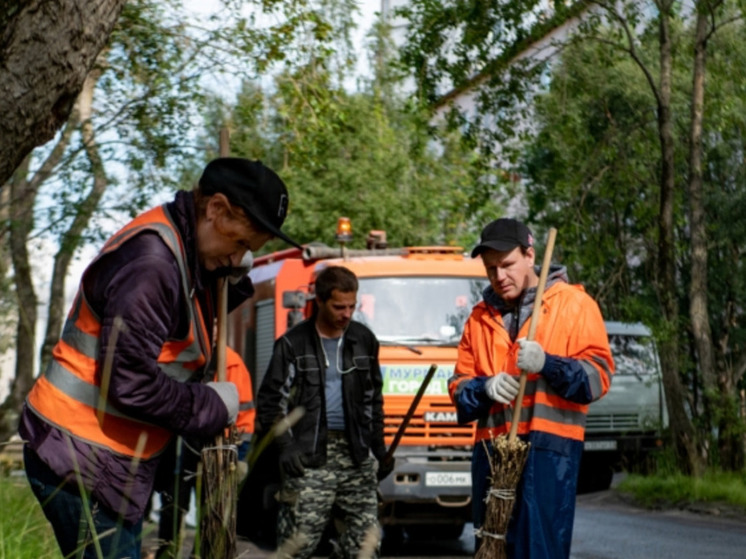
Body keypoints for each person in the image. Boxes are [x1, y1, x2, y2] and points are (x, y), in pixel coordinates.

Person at [18, 157, 300, 559]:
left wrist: (228, 282)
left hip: (103, 461)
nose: (239, 257)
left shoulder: (182, 250)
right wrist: (210, 405)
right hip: (78, 458)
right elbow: (130, 382)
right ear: (215, 209)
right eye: (239, 244)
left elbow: (179, 323)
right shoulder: (152, 264)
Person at [449, 218, 614, 559]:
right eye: (490, 267)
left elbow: (598, 378)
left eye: (507, 264)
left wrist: (548, 364)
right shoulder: (479, 318)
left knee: (540, 549)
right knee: (492, 546)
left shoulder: (574, 306)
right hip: (492, 458)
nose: (499, 276)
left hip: (548, 454)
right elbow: (459, 389)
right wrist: (484, 388)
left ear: (530, 255)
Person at [256, 265, 394, 559]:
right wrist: (286, 446)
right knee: (298, 545)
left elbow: (374, 399)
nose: (347, 314)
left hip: (356, 455)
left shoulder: (363, 340)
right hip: (308, 455)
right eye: (338, 307)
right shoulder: (292, 343)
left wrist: (379, 449)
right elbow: (270, 401)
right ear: (318, 301)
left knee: (365, 547)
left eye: (352, 306)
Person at [154, 346, 256, 559]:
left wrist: (239, 454)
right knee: (173, 506)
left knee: (212, 510)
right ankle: (167, 552)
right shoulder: (178, 353)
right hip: (179, 445)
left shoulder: (232, 363)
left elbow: (245, 415)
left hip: (217, 447)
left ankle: (201, 554)